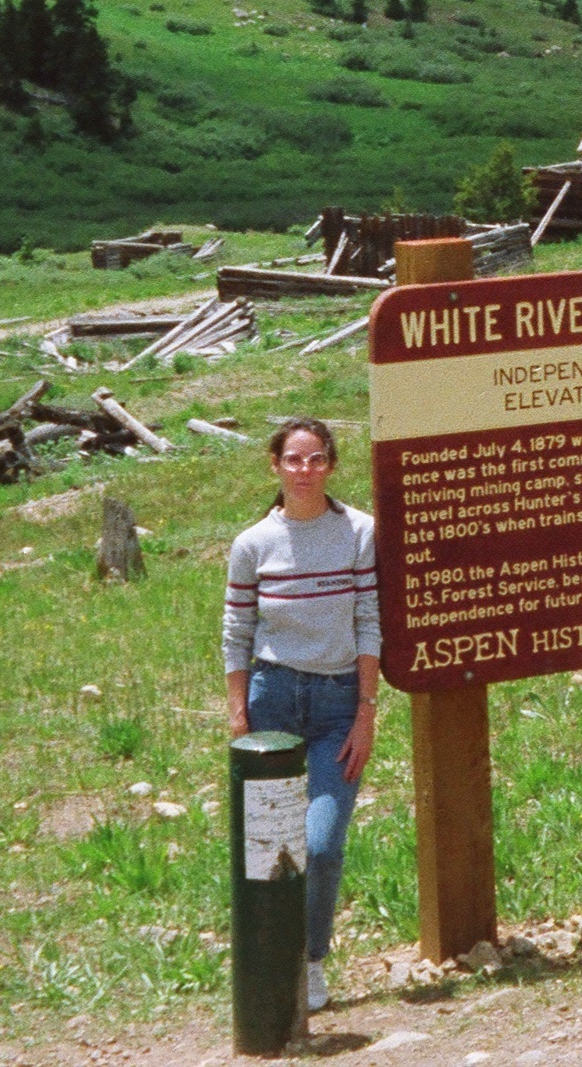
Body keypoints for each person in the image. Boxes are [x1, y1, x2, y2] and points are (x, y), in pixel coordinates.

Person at [224, 417, 379, 1015]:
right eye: (293, 460)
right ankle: (267, 966)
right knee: (267, 847)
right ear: (275, 466)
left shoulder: (358, 532)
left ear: (332, 466)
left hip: (340, 703)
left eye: (316, 460)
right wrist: (240, 716)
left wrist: (366, 710)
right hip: (273, 700)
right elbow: (237, 631)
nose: (305, 471)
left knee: (321, 842)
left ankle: (311, 960)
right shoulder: (253, 544)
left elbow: (370, 619)